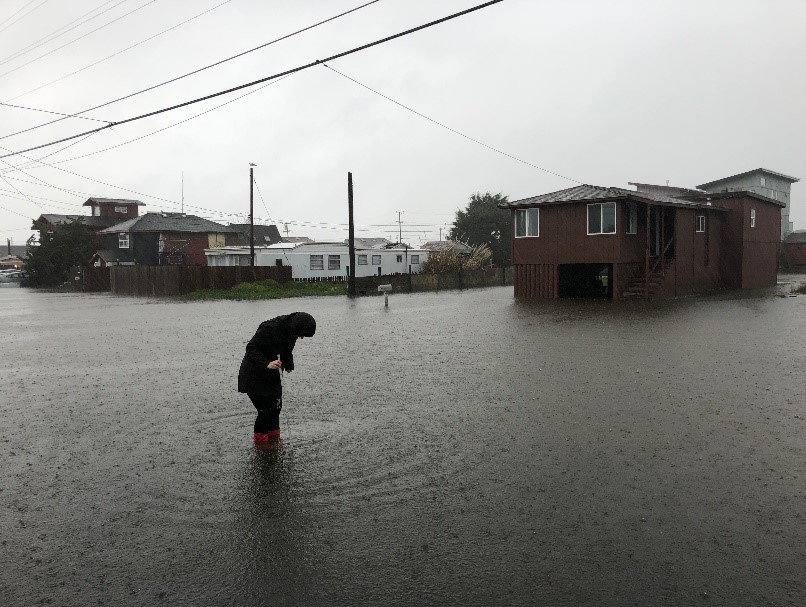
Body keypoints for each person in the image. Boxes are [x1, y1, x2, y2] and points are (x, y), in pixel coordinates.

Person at [238, 312, 316, 443]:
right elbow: (251, 348)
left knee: (276, 408)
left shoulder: (291, 330)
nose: (301, 338)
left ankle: (275, 443)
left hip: (273, 373)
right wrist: (266, 363)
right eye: (301, 335)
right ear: (295, 328)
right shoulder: (270, 328)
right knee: (265, 412)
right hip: (253, 375)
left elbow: (287, 349)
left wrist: (289, 364)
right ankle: (261, 446)